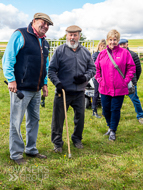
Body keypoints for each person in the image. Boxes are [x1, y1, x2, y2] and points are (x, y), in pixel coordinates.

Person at [2, 13, 53, 165]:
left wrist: (44, 84)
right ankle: (16, 154)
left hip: (36, 89)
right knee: (16, 121)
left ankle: (31, 149)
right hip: (21, 89)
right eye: (43, 23)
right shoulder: (20, 34)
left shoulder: (44, 42)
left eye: (48, 25)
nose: (45, 26)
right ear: (34, 21)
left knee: (34, 120)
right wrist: (11, 80)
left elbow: (45, 64)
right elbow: (8, 58)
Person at [48, 25, 96, 153]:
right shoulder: (59, 51)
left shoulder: (85, 52)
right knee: (58, 119)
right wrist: (57, 83)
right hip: (62, 92)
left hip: (80, 92)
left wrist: (85, 77)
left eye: (75, 35)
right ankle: (57, 143)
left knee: (80, 118)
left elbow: (92, 69)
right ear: (66, 36)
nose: (72, 37)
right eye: (70, 35)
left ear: (79, 36)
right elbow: (51, 70)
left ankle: (77, 139)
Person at [95, 29, 136, 141]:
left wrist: (125, 80)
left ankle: (113, 130)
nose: (113, 42)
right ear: (107, 40)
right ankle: (109, 126)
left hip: (119, 88)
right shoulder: (102, 54)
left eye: (115, 40)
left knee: (115, 109)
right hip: (104, 87)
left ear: (118, 40)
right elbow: (96, 68)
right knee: (105, 109)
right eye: (110, 40)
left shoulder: (125, 53)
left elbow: (131, 67)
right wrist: (99, 79)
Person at [118, 39, 143, 124]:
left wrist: (134, 80)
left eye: (124, 44)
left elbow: (138, 69)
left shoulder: (133, 54)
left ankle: (140, 116)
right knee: (116, 100)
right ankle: (115, 116)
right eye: (120, 45)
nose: (122, 46)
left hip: (130, 82)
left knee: (135, 99)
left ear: (127, 44)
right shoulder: (116, 54)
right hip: (119, 82)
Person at [92, 39, 106, 118]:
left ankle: (104, 111)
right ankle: (94, 111)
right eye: (101, 46)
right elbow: (95, 66)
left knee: (104, 94)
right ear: (98, 46)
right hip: (97, 77)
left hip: (105, 77)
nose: (102, 47)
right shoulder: (95, 55)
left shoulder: (107, 54)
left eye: (104, 46)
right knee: (96, 93)